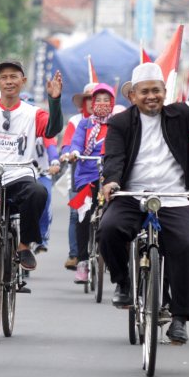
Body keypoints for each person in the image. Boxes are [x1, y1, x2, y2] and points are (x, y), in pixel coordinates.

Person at [98, 58, 189, 344]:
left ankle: (180, 318)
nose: (151, 96)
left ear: (165, 92)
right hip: (132, 196)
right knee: (108, 229)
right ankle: (123, 283)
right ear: (133, 96)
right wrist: (111, 181)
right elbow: (113, 156)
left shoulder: (180, 114)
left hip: (174, 197)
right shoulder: (119, 123)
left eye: (156, 90)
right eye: (144, 92)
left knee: (186, 248)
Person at [0, 61, 63, 273]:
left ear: (22, 81)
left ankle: (25, 245)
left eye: (14, 77)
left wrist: (55, 100)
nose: (9, 81)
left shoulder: (33, 113)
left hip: (19, 174)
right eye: (4, 77)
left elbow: (52, 130)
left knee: (39, 192)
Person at [68, 83, 115, 283]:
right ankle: (82, 262)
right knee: (82, 215)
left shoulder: (118, 124)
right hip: (86, 175)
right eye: (99, 100)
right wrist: (75, 152)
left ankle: (115, 258)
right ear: (92, 103)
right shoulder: (85, 124)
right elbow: (76, 142)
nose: (102, 103)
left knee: (116, 216)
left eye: (107, 99)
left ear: (112, 102)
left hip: (110, 175)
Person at [59, 83, 96, 270]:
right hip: (79, 171)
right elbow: (68, 144)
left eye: (96, 98)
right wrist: (69, 153)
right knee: (77, 213)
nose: (92, 102)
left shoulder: (110, 121)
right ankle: (75, 255)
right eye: (89, 98)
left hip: (103, 174)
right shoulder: (76, 121)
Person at [20, 92, 60, 256]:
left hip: (41, 173)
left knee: (45, 198)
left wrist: (55, 162)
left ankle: (41, 237)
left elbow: (50, 144)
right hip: (18, 173)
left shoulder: (40, 125)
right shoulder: (12, 126)